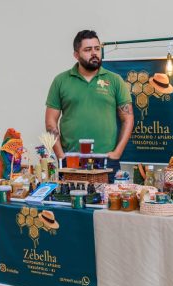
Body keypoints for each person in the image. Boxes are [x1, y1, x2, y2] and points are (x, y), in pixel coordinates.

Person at [45, 30, 134, 182]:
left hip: (106, 160)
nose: (94, 53)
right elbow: (50, 121)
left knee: (108, 198)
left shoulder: (115, 80)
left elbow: (128, 118)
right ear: (76, 55)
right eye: (87, 49)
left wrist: (117, 153)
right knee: (70, 197)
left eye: (97, 49)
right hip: (71, 160)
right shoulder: (61, 81)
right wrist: (60, 155)